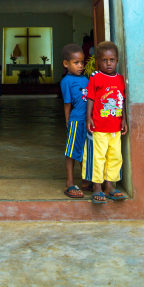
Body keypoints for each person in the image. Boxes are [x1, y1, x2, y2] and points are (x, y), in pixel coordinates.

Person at [83, 40, 128, 204]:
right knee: (98, 157)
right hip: (99, 127)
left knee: (115, 156)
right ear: (98, 61)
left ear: (117, 60)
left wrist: (123, 119)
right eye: (104, 60)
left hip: (115, 127)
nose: (108, 64)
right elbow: (90, 98)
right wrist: (88, 118)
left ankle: (109, 186)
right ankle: (97, 187)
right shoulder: (96, 78)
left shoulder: (121, 79)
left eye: (112, 60)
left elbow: (121, 100)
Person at [60, 43, 92, 198]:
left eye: (82, 62)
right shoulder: (66, 81)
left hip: (87, 121)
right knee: (72, 151)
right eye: (76, 63)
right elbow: (67, 103)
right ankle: (70, 182)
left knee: (85, 151)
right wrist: (67, 121)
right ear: (66, 64)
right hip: (76, 121)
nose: (80, 66)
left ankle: (85, 181)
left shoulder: (85, 78)